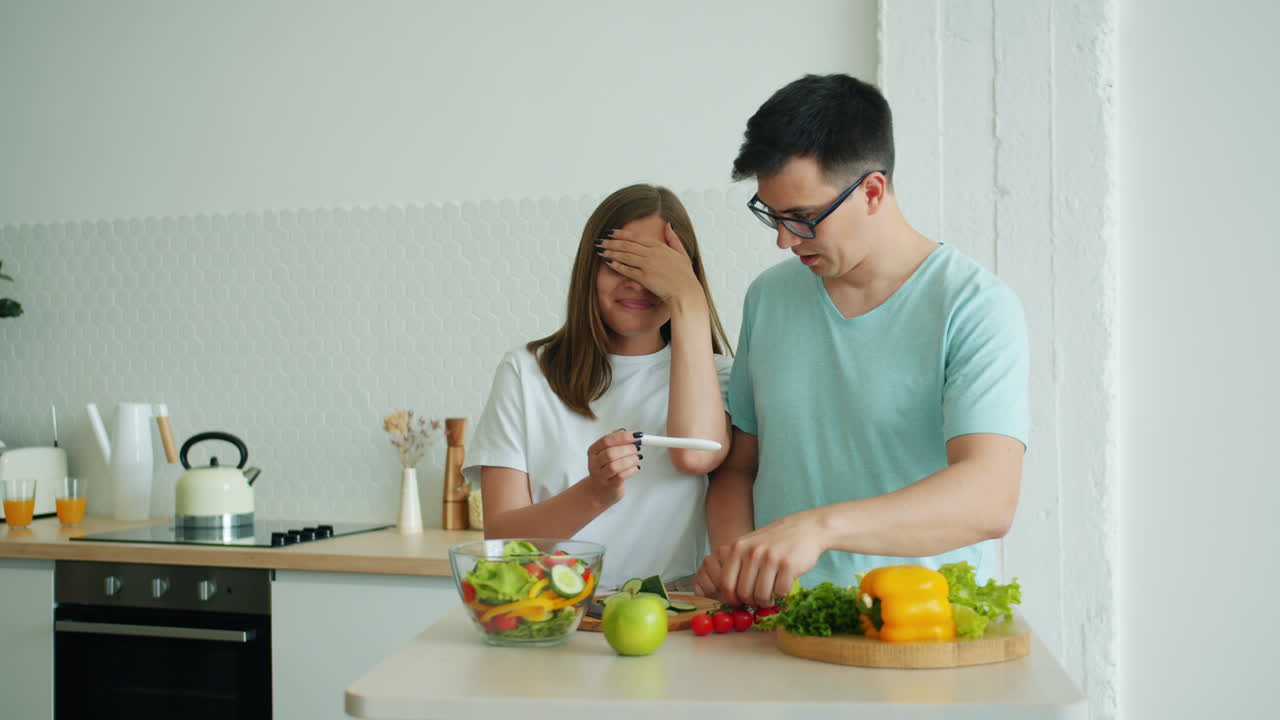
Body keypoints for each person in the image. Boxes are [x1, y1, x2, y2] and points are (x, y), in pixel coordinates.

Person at [694, 74, 1029, 609]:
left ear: (872, 191)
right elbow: (740, 467)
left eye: (803, 218)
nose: (783, 239)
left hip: (917, 632)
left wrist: (820, 529)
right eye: (771, 215)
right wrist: (742, 562)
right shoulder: (769, 298)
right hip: (781, 629)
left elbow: (990, 498)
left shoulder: (974, 306)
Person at [462, 184, 735, 591]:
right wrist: (595, 492)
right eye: (619, 262)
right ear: (590, 269)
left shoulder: (721, 377)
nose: (636, 283)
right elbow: (502, 540)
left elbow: (693, 457)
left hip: (675, 618)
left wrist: (688, 300)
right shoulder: (525, 371)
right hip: (554, 613)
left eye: (656, 269)